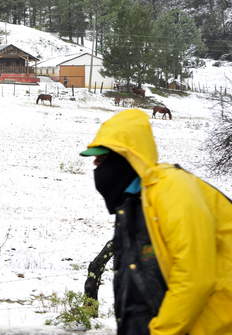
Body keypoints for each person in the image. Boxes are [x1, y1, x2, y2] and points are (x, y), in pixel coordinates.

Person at [81, 108, 232, 335]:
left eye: (102, 160)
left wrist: (161, 331)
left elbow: (194, 278)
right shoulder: (135, 205)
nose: (97, 169)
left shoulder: (175, 190)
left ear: (127, 158)